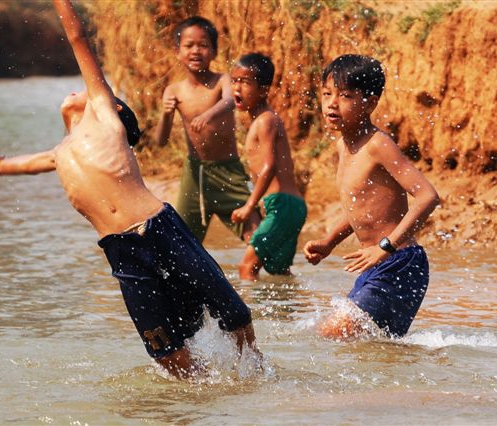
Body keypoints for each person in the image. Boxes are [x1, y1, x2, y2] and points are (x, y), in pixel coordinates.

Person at [0, 0, 259, 379]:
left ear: (117, 112)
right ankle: (204, 387)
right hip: (122, 252)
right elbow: (23, 164)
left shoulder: (103, 115)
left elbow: (77, 37)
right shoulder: (60, 153)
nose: (77, 93)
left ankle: (256, 369)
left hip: (158, 227)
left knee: (232, 311)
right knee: (162, 348)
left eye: (83, 91)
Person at [303, 54, 439, 339]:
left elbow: (427, 196)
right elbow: (362, 208)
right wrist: (329, 242)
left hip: (400, 263)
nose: (332, 103)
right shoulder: (342, 146)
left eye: (346, 96)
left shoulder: (379, 145)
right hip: (378, 264)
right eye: (327, 93)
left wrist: (386, 246)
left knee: (334, 334)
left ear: (371, 102)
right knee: (370, 348)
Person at [155, 16, 260, 248]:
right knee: (181, 244)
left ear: (214, 51)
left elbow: (230, 100)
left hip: (228, 172)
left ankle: (269, 277)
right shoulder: (174, 90)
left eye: (203, 45)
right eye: (189, 45)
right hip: (194, 175)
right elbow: (160, 141)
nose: (196, 51)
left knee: (257, 236)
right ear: (177, 51)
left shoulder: (223, 80)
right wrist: (165, 114)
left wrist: (208, 115)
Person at [229, 53, 307, 280]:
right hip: (286, 206)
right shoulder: (260, 120)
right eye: (234, 81)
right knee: (279, 273)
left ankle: (250, 315)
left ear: (263, 90)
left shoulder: (265, 120)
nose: (237, 88)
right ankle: (289, 313)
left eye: (245, 82)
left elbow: (269, 167)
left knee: (246, 268)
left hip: (282, 206)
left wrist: (249, 206)